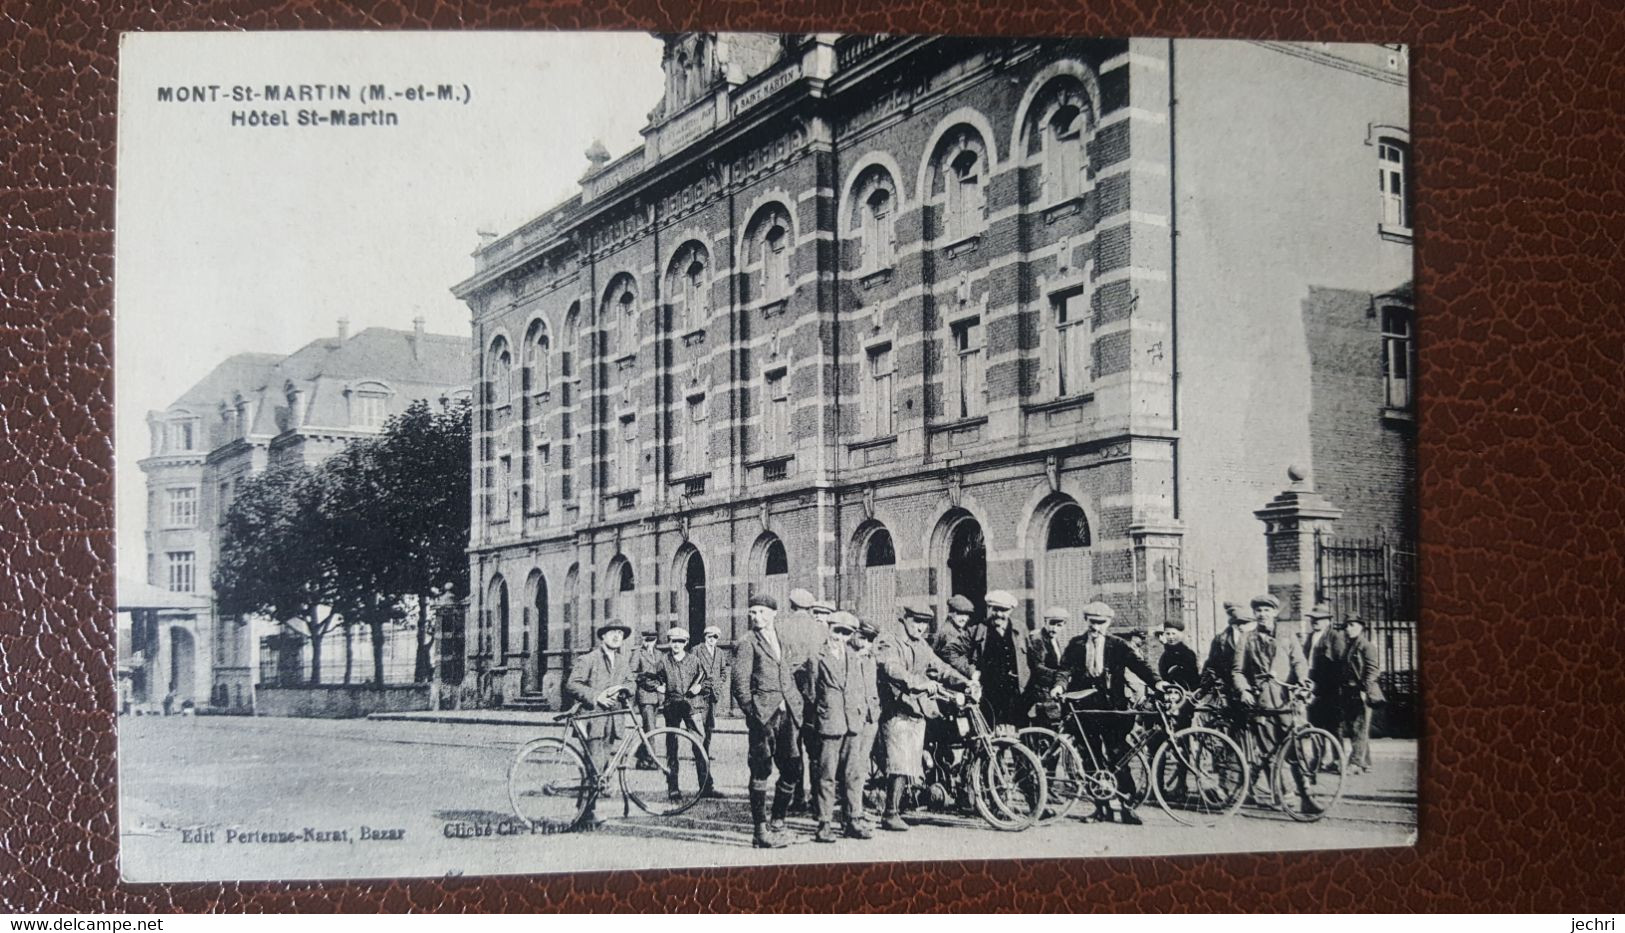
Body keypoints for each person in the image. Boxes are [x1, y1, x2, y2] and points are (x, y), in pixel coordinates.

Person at [1056, 601, 1164, 824]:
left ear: (1108, 623)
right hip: (1085, 710)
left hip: (1113, 710)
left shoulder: (1119, 645)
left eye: (1100, 623)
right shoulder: (1076, 644)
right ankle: (1100, 808)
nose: (1095, 628)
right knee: (1091, 759)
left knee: (1119, 757)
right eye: (1092, 623)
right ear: (1086, 621)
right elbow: (1064, 670)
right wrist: (1059, 686)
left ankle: (1127, 807)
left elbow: (1140, 666)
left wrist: (1158, 683)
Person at [874, 600, 976, 831]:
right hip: (895, 708)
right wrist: (920, 683)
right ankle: (890, 813)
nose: (920, 628)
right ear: (905, 619)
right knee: (899, 761)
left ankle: (910, 799)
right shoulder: (890, 640)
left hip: (917, 708)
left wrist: (965, 683)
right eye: (916, 622)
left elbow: (940, 666)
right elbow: (892, 668)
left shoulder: (921, 645)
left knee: (913, 759)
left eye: (924, 624)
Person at [730, 594, 811, 848]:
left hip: (788, 713)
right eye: (753, 612)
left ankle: (779, 823)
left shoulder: (784, 639)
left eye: (762, 612)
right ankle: (760, 831)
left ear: (774, 613)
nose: (757, 617)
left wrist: (797, 701)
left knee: (793, 768)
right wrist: (753, 713)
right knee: (761, 769)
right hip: (763, 716)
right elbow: (739, 684)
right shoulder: (747, 643)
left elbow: (793, 668)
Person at [807, 611, 874, 843]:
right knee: (827, 776)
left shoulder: (854, 657)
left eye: (847, 633)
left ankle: (853, 819)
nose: (841, 637)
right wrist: (823, 712)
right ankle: (824, 823)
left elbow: (859, 687)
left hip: (852, 722)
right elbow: (811, 693)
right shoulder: (817, 656)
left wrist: (860, 714)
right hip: (829, 722)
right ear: (829, 629)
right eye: (838, 631)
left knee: (854, 774)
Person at [565, 620, 636, 824]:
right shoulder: (589, 659)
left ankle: (587, 810)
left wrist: (623, 690)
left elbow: (631, 683)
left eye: (620, 634)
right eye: (612, 632)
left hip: (614, 722)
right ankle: (586, 814)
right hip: (593, 720)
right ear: (603, 636)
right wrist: (596, 696)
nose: (616, 636)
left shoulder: (622, 661)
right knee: (594, 767)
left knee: (602, 766)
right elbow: (572, 685)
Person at [655, 627, 709, 802]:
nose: (676, 645)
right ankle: (673, 788)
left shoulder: (694, 660)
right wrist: (658, 686)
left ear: (685, 643)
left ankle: (705, 785)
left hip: (692, 707)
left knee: (699, 745)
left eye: (680, 641)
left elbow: (706, 678)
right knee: (672, 747)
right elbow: (651, 678)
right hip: (672, 706)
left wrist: (699, 687)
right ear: (669, 643)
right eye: (673, 641)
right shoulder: (663, 661)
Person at [975, 591, 1031, 727]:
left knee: (1017, 732)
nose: (999, 614)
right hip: (990, 693)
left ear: (1011, 610)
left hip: (1016, 693)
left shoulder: (1020, 629)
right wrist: (972, 671)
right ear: (989, 609)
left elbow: (1031, 659)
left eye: (1004, 610)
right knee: (992, 731)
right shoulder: (979, 629)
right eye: (995, 609)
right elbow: (952, 651)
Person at [1339, 615, 1384, 773]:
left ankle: (1355, 763)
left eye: (1352, 625)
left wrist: (1365, 689)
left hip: (1361, 691)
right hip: (1349, 691)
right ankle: (1366, 762)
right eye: (1346, 626)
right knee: (1355, 727)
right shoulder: (1350, 645)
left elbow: (1373, 670)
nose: (1348, 629)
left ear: (1361, 627)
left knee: (1359, 726)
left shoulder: (1366, 646)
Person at [694, 623, 729, 793]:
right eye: (709, 636)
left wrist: (719, 684)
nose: (712, 640)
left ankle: (706, 782)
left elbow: (723, 672)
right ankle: (705, 783)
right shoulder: (696, 650)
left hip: (713, 698)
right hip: (700, 698)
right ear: (705, 636)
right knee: (700, 740)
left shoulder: (720, 653)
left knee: (708, 736)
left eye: (715, 637)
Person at [1302, 603, 1345, 732]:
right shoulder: (1310, 637)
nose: (1315, 621)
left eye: (1319, 619)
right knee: (1315, 724)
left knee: (1333, 726)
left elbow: (1340, 663)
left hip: (1329, 687)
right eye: (1313, 618)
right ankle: (1319, 753)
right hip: (1312, 684)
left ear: (1328, 621)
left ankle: (1337, 752)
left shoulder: (1334, 637)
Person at [1024, 603, 1069, 728]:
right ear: (1045, 622)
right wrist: (1061, 676)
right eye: (1051, 624)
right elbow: (1038, 668)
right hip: (1040, 691)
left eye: (1059, 625)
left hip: (1050, 689)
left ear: (1064, 626)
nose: (1054, 629)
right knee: (1048, 724)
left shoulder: (1054, 639)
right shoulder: (1037, 639)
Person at [630, 630, 665, 768]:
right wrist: (649, 682)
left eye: (652, 640)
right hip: (645, 696)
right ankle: (652, 760)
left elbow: (662, 672)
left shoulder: (659, 654)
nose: (649, 643)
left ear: (655, 640)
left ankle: (642, 757)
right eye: (646, 640)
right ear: (642, 639)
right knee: (650, 728)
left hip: (657, 697)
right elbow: (633, 674)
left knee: (649, 727)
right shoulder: (637, 653)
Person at [932, 594, 980, 680]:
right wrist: (971, 671)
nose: (964, 619)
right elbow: (953, 657)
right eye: (960, 614)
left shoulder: (958, 628)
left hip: (954, 674)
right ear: (951, 613)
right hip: (948, 677)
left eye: (966, 615)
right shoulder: (948, 632)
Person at [1156, 618, 1200, 691]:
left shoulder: (1187, 652)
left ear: (1180, 634)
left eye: (1174, 633)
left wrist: (1166, 644)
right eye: (1168, 634)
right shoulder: (1165, 655)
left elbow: (1176, 659)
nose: (1171, 637)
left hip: (1186, 693)